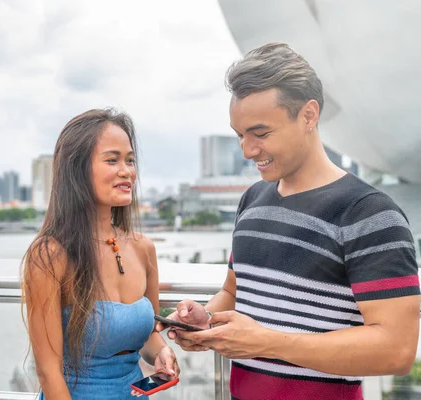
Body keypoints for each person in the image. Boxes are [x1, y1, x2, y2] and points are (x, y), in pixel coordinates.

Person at [156, 42, 420, 400]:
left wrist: (268, 342)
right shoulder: (252, 200)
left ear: (309, 116)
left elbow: (396, 351)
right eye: (240, 136)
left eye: (261, 134)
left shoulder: (370, 214)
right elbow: (235, 292)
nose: (248, 150)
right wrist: (204, 319)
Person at [22, 108, 179, 400]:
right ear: (77, 169)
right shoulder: (49, 256)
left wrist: (162, 352)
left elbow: (147, 336)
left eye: (130, 160)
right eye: (112, 160)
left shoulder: (143, 247)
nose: (127, 171)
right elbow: (48, 371)